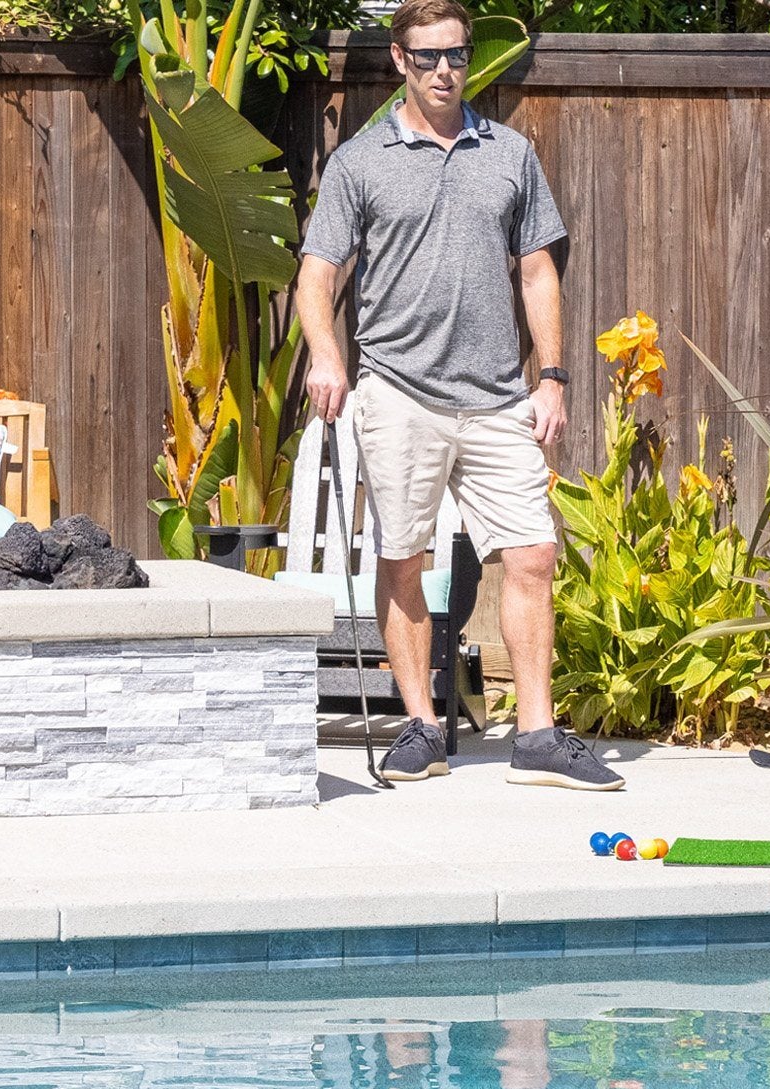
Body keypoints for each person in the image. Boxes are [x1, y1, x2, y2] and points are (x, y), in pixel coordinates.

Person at [297, 0, 620, 790]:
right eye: (430, 56)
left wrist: (551, 375)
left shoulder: (509, 153)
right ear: (401, 62)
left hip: (499, 397)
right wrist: (327, 358)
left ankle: (538, 738)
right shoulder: (360, 162)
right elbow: (318, 276)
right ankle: (420, 725)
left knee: (534, 554)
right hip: (399, 393)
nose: (447, 69)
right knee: (406, 559)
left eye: (458, 55)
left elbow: (538, 270)